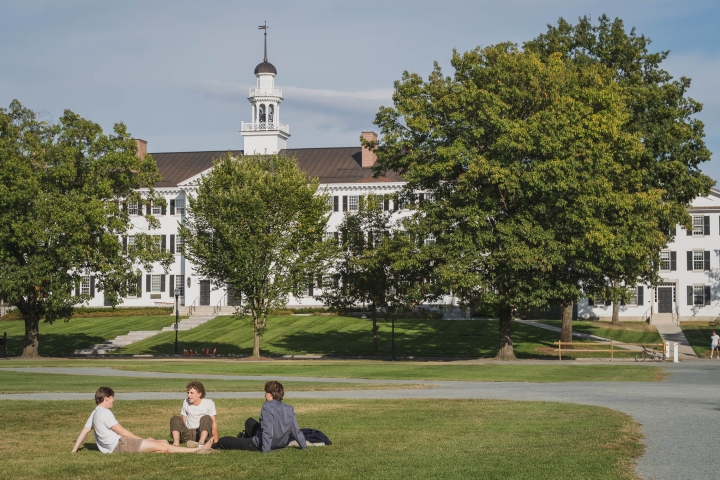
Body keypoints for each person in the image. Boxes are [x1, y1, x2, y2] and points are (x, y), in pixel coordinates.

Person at [72, 386, 211, 454]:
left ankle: (179, 447)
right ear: (106, 397)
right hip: (121, 445)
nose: (114, 400)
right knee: (164, 446)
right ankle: (198, 450)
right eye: (112, 397)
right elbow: (123, 432)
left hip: (118, 445)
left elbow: (84, 431)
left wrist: (74, 450)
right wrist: (142, 440)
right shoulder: (105, 413)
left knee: (161, 443)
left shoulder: (96, 411)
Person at [212, 381, 306, 452]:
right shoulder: (289, 408)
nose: (264, 395)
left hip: (262, 444)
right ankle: (245, 438)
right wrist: (303, 447)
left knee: (225, 441)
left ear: (271, 394)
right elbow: (296, 431)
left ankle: (213, 445)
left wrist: (265, 450)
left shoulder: (267, 407)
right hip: (281, 443)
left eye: (266, 392)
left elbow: (268, 431)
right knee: (249, 422)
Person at [170, 381, 218, 447]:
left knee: (206, 418)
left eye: (191, 393)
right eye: (188, 393)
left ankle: (201, 443)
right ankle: (176, 443)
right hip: (188, 434)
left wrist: (216, 441)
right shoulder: (185, 402)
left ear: (199, 394)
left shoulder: (209, 403)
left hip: (201, 433)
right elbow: (183, 421)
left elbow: (214, 424)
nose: (188, 395)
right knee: (175, 418)